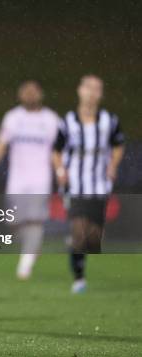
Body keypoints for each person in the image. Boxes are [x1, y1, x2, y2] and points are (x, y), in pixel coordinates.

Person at [0, 81, 60, 279]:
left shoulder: (51, 120)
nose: (30, 95)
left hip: (40, 179)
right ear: (21, 95)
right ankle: (32, 245)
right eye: (26, 92)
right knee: (14, 222)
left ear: (41, 94)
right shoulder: (13, 118)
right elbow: (0, 145)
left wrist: (61, 170)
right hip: (17, 180)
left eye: (34, 91)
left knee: (35, 221)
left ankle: (25, 266)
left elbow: (57, 151)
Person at [52, 75, 125, 294]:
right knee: (79, 231)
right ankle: (79, 278)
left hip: (100, 186)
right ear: (80, 90)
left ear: (101, 94)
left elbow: (119, 145)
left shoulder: (109, 121)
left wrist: (113, 165)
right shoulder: (68, 121)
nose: (92, 92)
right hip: (75, 185)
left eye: (97, 89)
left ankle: (78, 251)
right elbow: (55, 150)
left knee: (93, 238)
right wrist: (60, 170)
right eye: (88, 88)